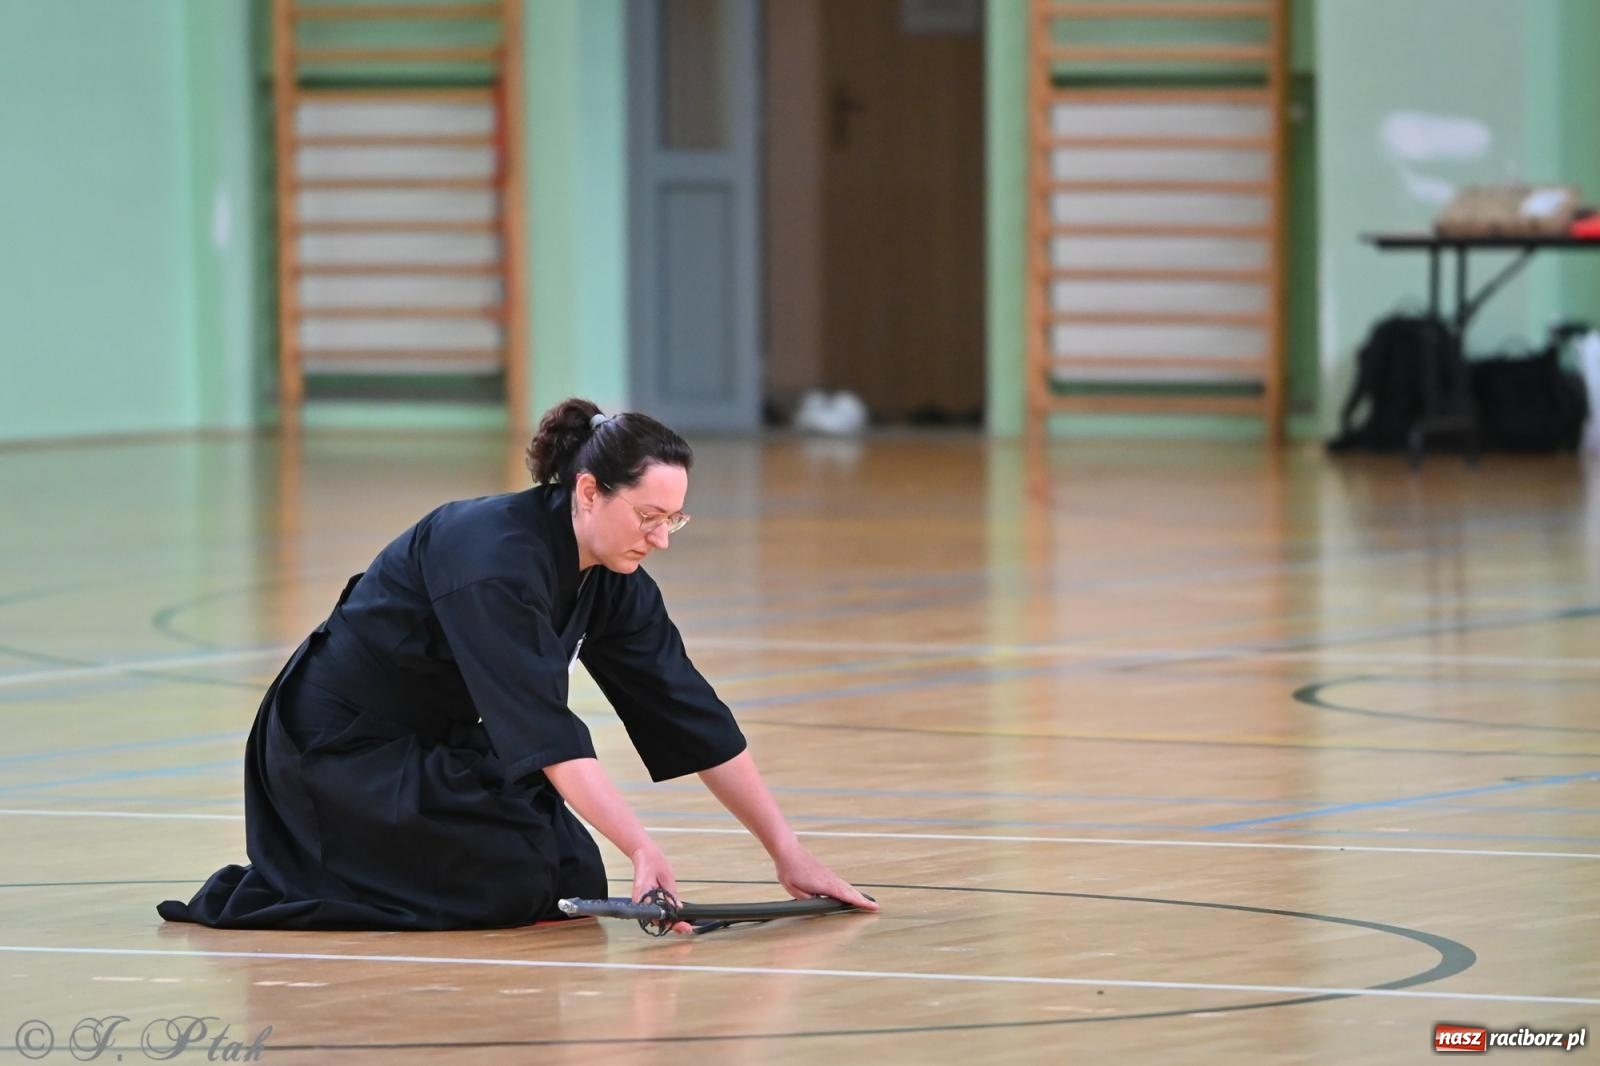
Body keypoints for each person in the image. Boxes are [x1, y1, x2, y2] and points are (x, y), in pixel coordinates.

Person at [158, 398, 877, 933]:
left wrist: (787, 851)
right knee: (517, 880)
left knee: (565, 870)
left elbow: (687, 708)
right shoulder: (493, 559)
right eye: (648, 517)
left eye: (674, 520)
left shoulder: (612, 572)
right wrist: (642, 845)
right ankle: (307, 872)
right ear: (589, 490)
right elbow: (545, 732)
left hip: (428, 747)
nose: (661, 539)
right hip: (335, 755)